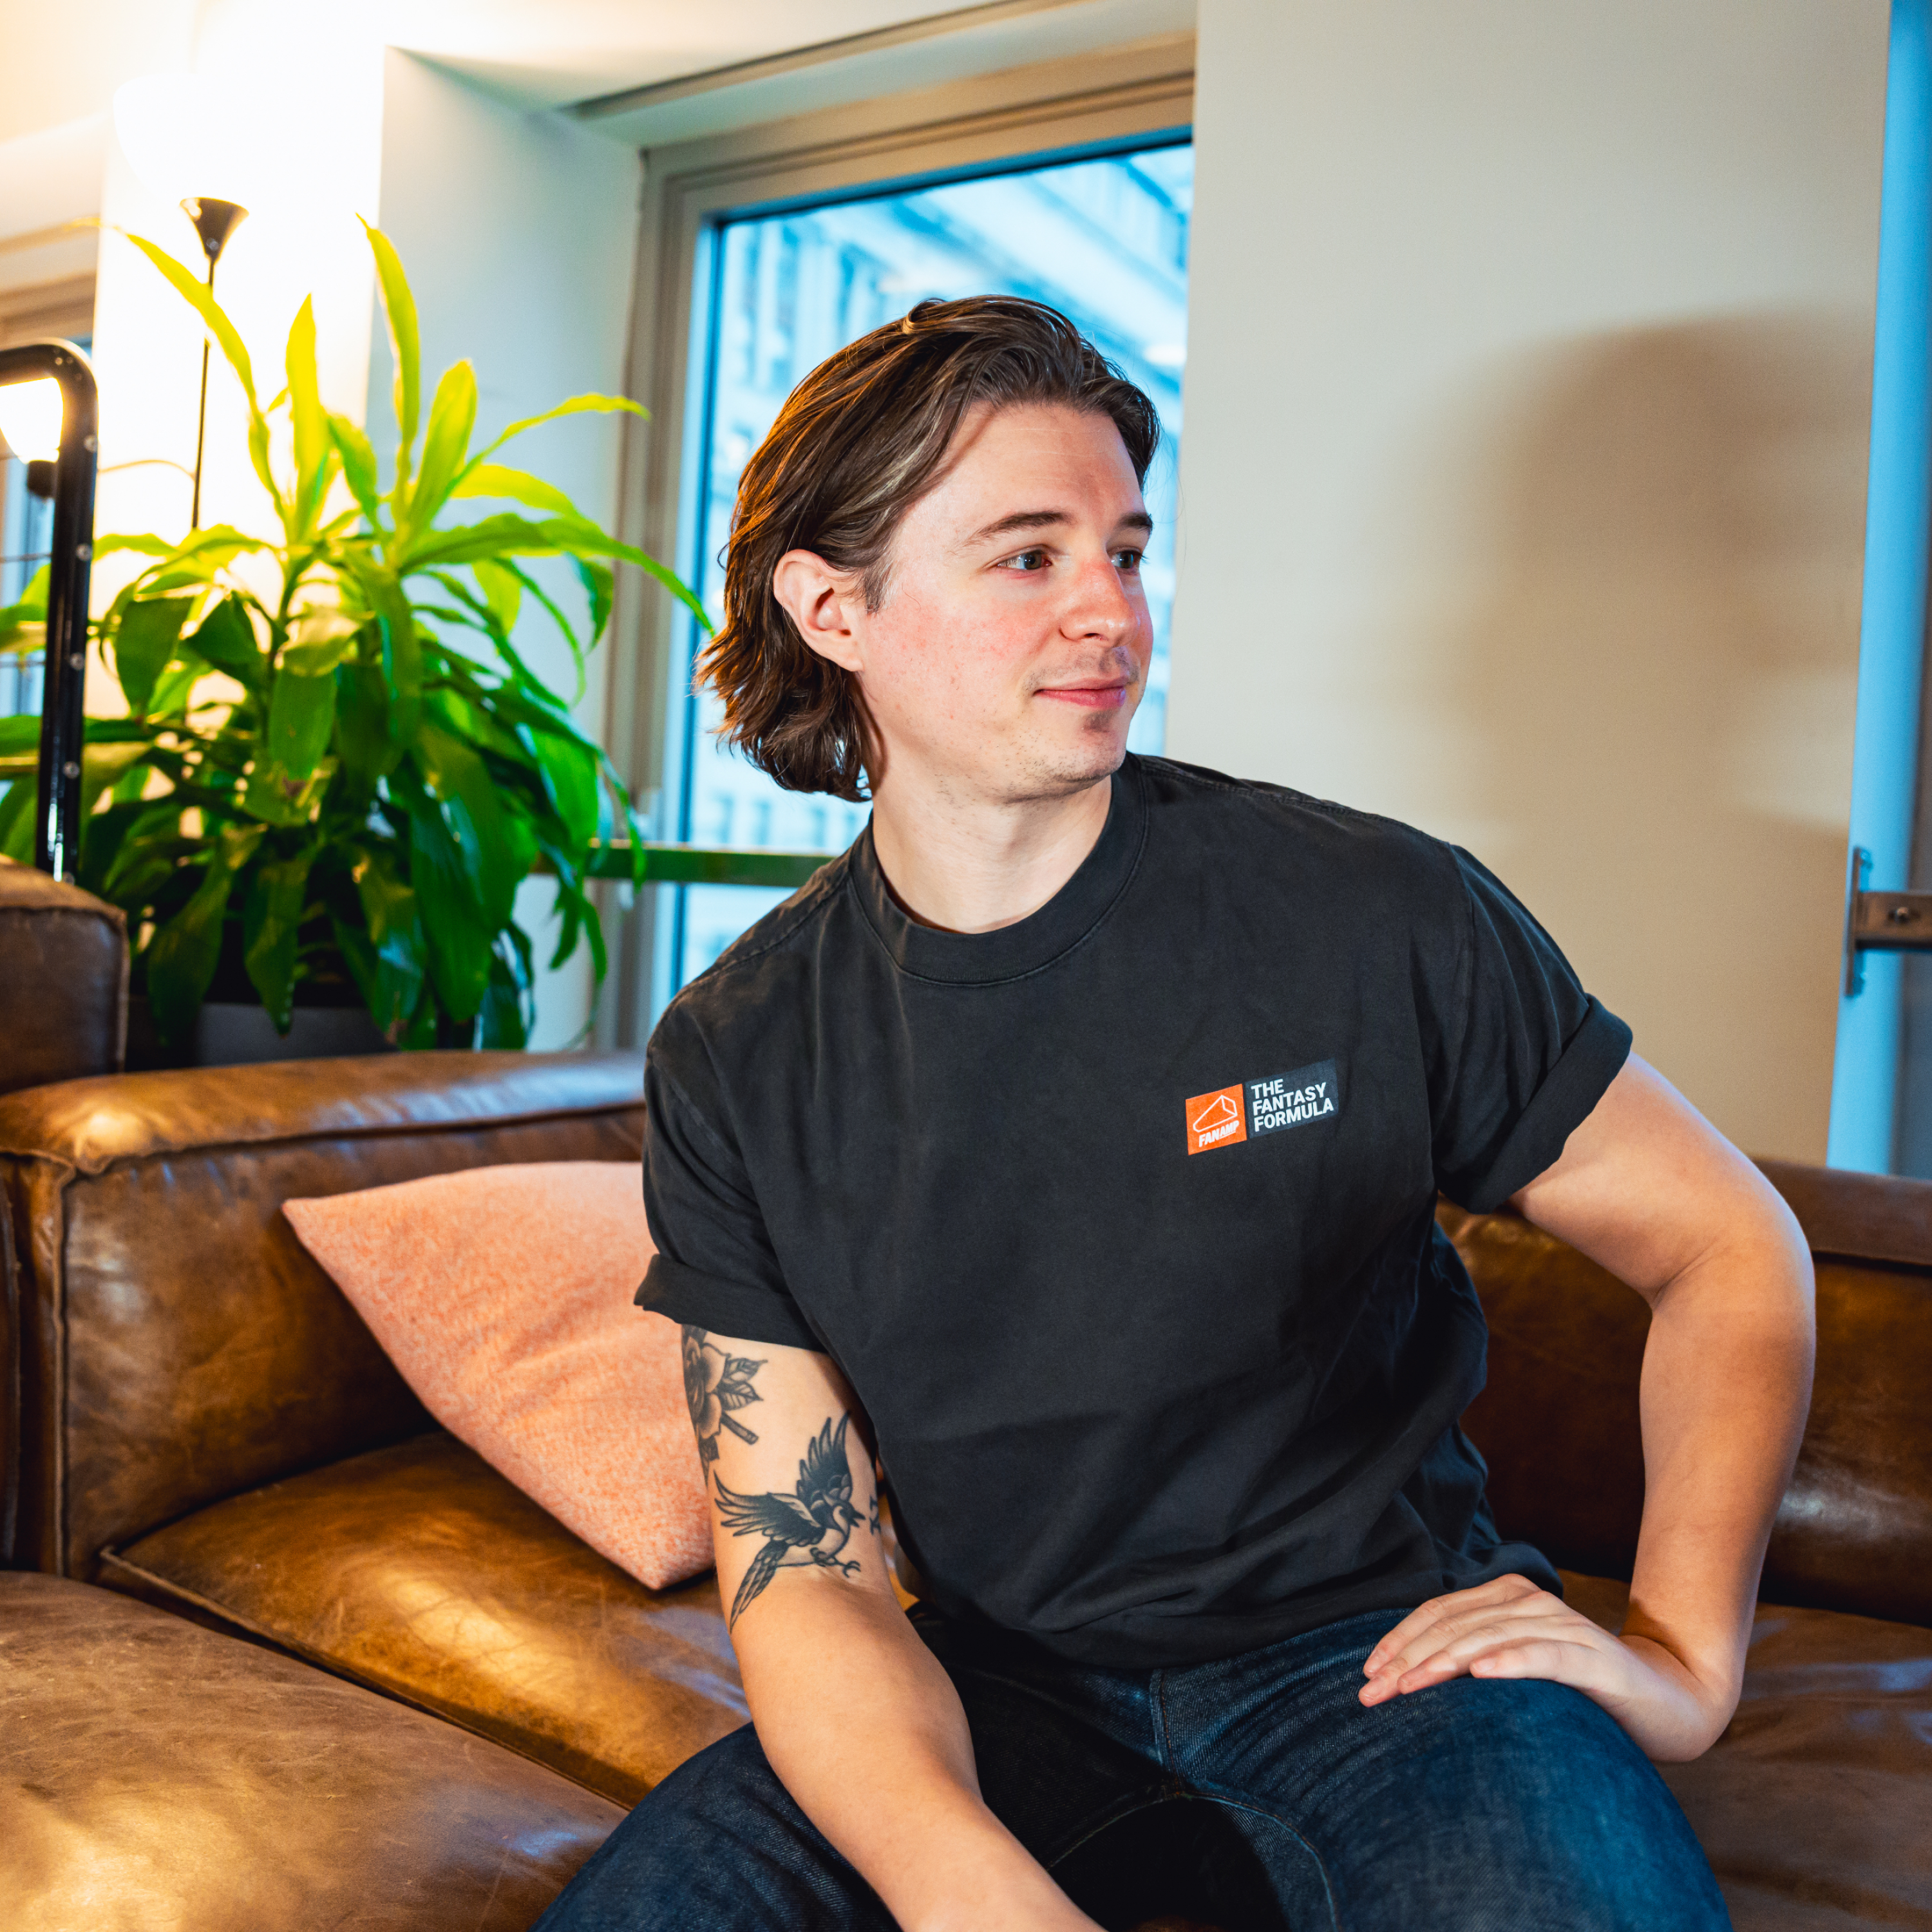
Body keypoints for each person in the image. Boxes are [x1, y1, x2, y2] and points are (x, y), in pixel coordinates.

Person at [539, 298, 1815, 1932]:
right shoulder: (738, 1051)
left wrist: (1687, 1658)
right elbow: (814, 1572)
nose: (1111, 615)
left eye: (1126, 553)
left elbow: (1728, 1247)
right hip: (993, 1693)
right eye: (1029, 557)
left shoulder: (1371, 912)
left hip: (1394, 1666)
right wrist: (966, 1890)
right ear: (834, 605)